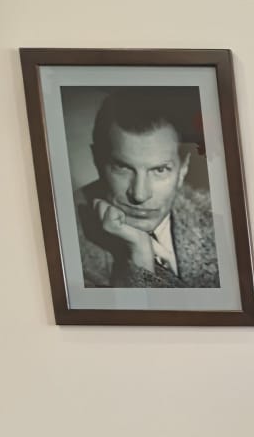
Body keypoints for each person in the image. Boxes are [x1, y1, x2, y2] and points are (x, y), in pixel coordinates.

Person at [77, 88, 220, 289]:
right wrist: (140, 255)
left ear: (183, 169)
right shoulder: (67, 241)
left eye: (159, 170)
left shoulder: (218, 218)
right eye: (123, 168)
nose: (139, 195)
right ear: (98, 161)